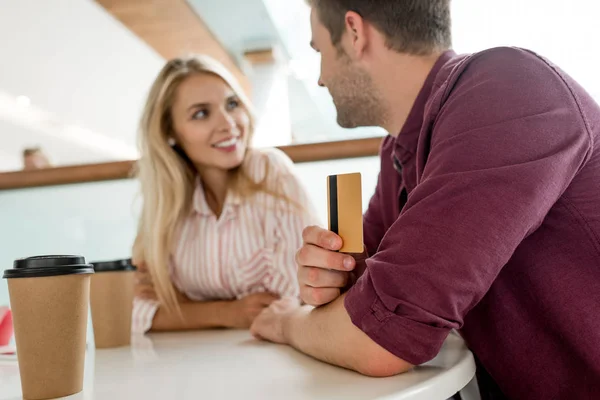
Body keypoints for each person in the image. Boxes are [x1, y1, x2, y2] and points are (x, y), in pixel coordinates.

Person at [250, 1, 600, 399]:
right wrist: (327, 282)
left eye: (318, 52)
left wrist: (285, 323)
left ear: (354, 32)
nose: (319, 79)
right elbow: (357, 300)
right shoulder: (400, 151)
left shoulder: (509, 89)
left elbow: (381, 338)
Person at [132, 54, 319, 334]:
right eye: (201, 113)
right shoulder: (167, 205)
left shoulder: (271, 173)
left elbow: (289, 301)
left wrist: (185, 307)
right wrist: (226, 312)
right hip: (194, 362)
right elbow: (138, 311)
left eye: (232, 104)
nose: (228, 123)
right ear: (170, 132)